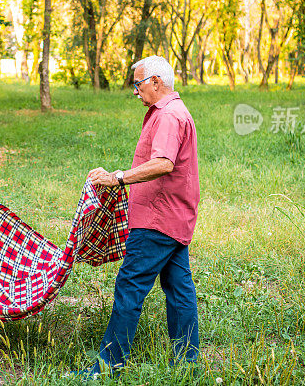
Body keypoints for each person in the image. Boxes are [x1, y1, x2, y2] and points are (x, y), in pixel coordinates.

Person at [80, 55, 200, 377]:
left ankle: (106, 367)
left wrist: (118, 177)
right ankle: (187, 364)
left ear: (156, 82)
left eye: (138, 83)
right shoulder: (171, 112)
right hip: (175, 217)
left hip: (157, 220)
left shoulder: (169, 116)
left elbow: (163, 163)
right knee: (179, 289)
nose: (135, 91)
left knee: (129, 286)